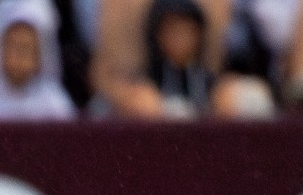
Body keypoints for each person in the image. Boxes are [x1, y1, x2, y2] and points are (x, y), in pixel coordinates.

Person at [90, 0, 276, 116]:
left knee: (247, 97)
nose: (180, 39)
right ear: (158, 35)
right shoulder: (145, 84)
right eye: (173, 31)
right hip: (148, 113)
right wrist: (128, 95)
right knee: (143, 104)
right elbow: (103, 77)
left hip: (206, 116)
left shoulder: (207, 77)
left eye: (187, 32)